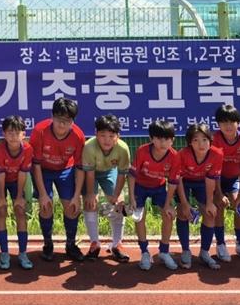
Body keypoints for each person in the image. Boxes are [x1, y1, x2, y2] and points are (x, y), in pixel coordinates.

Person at [30, 97, 87, 262]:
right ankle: (48, 244)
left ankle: (71, 245)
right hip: (43, 170)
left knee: (72, 207)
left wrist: (77, 195)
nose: (62, 124)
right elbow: (36, 165)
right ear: (52, 116)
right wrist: (42, 194)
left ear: (73, 121)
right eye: (59, 119)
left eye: (67, 120)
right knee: (46, 206)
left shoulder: (78, 135)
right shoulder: (39, 131)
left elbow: (80, 167)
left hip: (66, 170)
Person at [127, 119, 181, 271]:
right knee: (139, 216)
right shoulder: (142, 151)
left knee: (169, 215)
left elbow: (173, 182)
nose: (163, 142)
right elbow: (131, 175)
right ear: (151, 138)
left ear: (172, 140)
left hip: (159, 188)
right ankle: (144, 252)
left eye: (167, 139)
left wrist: (168, 204)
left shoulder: (175, 156)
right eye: (158, 138)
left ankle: (164, 251)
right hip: (140, 187)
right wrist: (131, 198)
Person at [80, 114, 131, 263]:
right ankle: (94, 243)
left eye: (111, 136)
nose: (107, 140)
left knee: (119, 204)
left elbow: (122, 174)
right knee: (90, 203)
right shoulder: (89, 146)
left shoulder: (123, 148)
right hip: (91, 173)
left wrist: (116, 195)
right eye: (102, 135)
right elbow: (90, 174)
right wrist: (90, 194)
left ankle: (117, 244)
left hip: (109, 172)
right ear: (96, 134)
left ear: (118, 136)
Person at [210, 104, 240, 262]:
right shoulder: (215, 139)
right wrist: (218, 193)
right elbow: (214, 170)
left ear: (239, 122)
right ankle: (220, 244)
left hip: (233, 180)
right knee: (218, 206)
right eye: (224, 122)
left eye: (232, 122)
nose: (228, 126)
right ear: (218, 124)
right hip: (216, 180)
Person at [175, 123, 222, 270]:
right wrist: (184, 204)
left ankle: (204, 252)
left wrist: (210, 203)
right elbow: (178, 179)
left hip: (203, 182)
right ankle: (186, 250)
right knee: (182, 213)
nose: (201, 144)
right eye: (196, 140)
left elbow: (211, 179)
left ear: (210, 140)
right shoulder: (182, 154)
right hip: (184, 182)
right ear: (190, 142)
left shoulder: (217, 154)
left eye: (204, 139)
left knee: (210, 213)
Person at [0, 115, 34, 270]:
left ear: (23, 134)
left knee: (20, 210)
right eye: (10, 132)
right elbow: (1, 174)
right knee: (1, 210)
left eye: (17, 132)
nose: (13, 136)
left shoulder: (28, 149)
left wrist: (18, 197)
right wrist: (1, 197)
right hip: (0, 181)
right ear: (3, 134)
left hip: (18, 181)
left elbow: (23, 173)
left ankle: (23, 253)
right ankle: (4, 253)